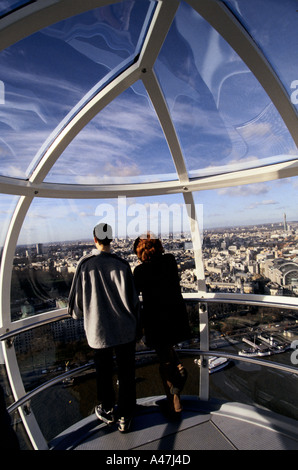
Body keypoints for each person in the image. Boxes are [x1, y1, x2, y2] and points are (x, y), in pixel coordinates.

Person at [68, 223, 139, 433]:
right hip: (125, 329)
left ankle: (107, 409)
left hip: (98, 330)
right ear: (111, 240)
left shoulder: (85, 265)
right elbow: (134, 302)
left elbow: (76, 308)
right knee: (126, 373)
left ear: (94, 240)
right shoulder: (123, 265)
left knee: (103, 372)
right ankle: (125, 416)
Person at [133, 233, 191, 417]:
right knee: (167, 351)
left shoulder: (140, 271)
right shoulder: (170, 260)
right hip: (176, 315)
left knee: (163, 361)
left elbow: (134, 293)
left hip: (155, 319)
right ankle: (180, 369)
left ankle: (175, 403)